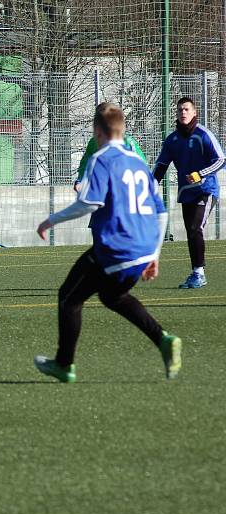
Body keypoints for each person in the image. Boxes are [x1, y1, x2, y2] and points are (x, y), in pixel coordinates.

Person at [34, 102, 182, 383]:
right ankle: (163, 339)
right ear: (122, 130)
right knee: (112, 296)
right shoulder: (138, 162)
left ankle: (64, 365)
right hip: (142, 249)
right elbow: (160, 212)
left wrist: (51, 220)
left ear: (97, 132)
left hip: (116, 247)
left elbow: (90, 202)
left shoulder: (101, 159)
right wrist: (154, 255)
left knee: (69, 298)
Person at [153, 97, 224, 289]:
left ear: (194, 113)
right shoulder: (172, 140)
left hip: (206, 190)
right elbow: (161, 166)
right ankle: (197, 272)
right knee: (191, 232)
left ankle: (199, 273)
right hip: (186, 192)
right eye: (179, 110)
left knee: (194, 228)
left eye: (186, 109)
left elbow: (221, 160)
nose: (183, 113)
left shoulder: (204, 135)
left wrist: (200, 174)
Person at [74, 134, 146, 192]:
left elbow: (142, 164)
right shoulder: (94, 142)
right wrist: (80, 180)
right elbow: (86, 163)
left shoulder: (128, 141)